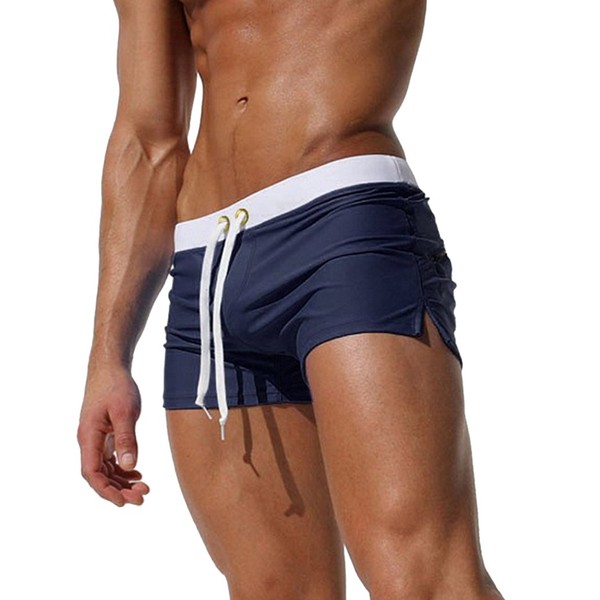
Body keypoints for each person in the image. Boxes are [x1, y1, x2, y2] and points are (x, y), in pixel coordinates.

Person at [78, 0, 504, 598]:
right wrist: (109, 356)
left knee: (423, 579)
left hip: (341, 228)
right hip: (206, 272)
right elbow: (147, 140)